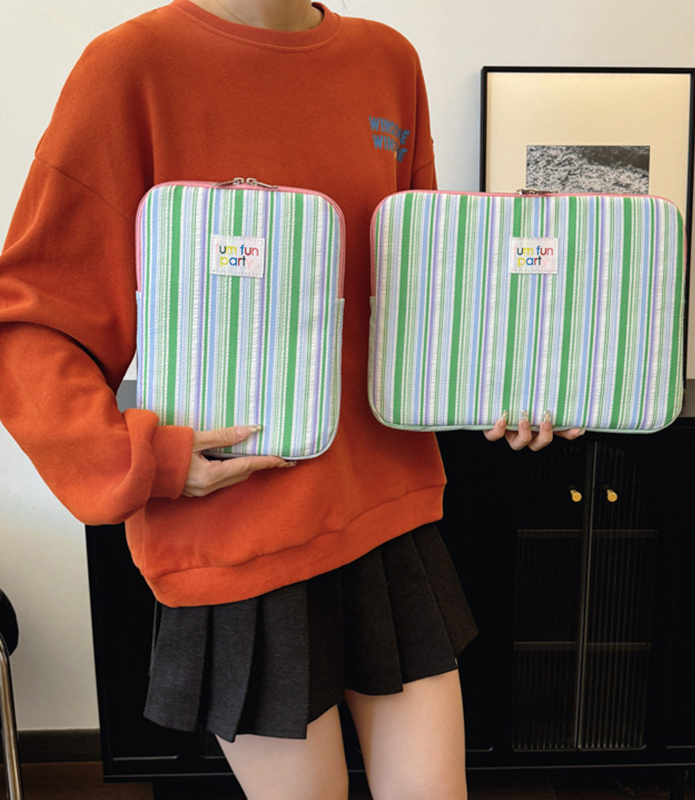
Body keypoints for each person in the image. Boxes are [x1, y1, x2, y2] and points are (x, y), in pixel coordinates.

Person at [0, 1, 581, 798]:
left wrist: (515, 382)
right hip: (237, 538)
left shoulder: (388, 60)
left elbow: (415, 291)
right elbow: (29, 325)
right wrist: (146, 460)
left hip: (387, 514)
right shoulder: (129, 68)